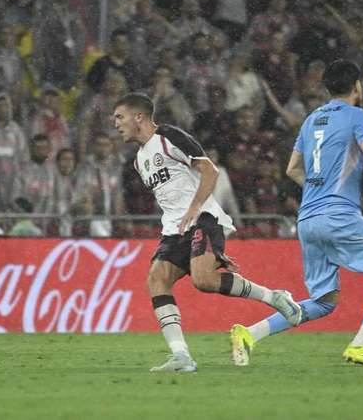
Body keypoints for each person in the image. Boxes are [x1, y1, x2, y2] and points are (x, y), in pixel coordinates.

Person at [231, 60, 363, 368]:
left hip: (307, 220)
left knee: (324, 302)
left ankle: (249, 333)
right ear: (356, 87)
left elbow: (292, 170)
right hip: (338, 214)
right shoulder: (358, 115)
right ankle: (361, 346)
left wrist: (318, 186)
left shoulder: (311, 119)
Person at [112, 93, 302, 373]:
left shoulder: (169, 137)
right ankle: (181, 356)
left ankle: (273, 297)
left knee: (202, 280)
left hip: (203, 218)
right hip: (174, 228)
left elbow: (210, 171)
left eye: (119, 116)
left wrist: (195, 207)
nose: (116, 123)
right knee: (156, 280)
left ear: (138, 116)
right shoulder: (140, 160)